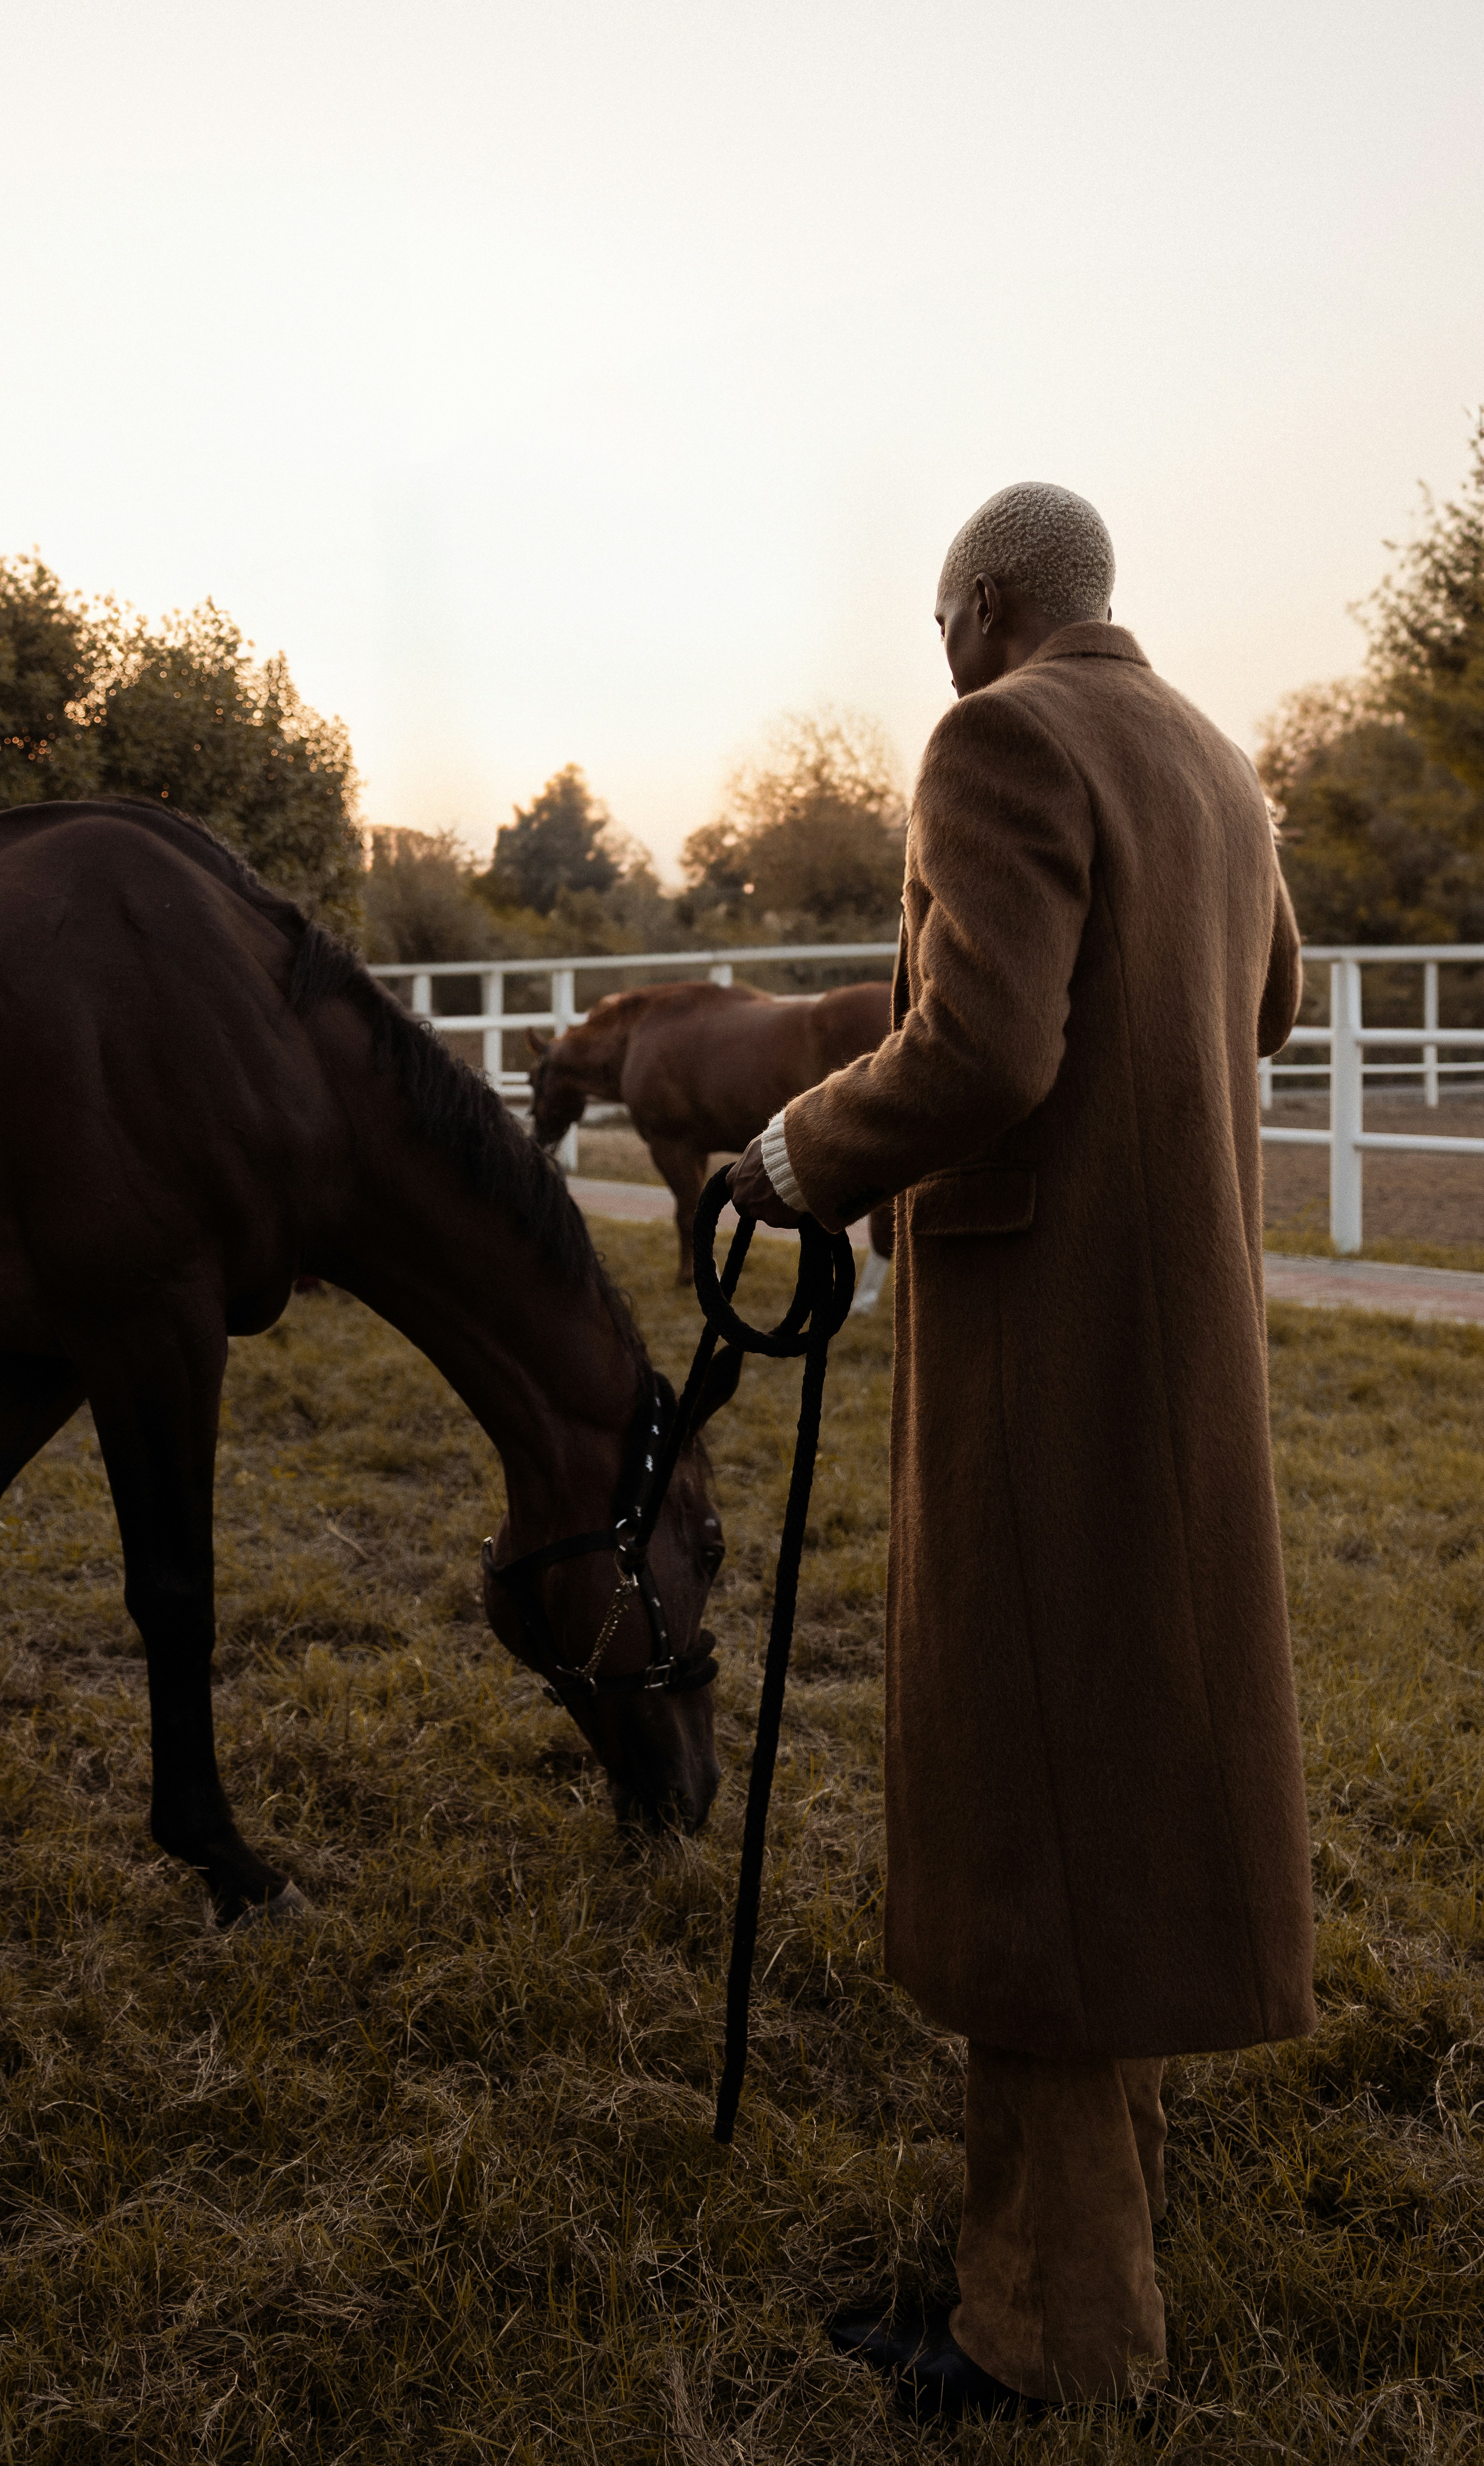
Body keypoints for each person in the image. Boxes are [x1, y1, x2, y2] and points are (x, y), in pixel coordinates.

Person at [729, 482, 1314, 2421]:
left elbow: (986, 1051)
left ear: (983, 608)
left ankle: (1047, 2337)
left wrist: (798, 1157)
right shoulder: (1215, 765)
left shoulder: (997, 736)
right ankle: (1064, 2261)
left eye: (937, 618)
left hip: (1044, 1368)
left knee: (1032, 1814)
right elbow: (1279, 1007)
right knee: (1118, 1790)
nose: (940, 650)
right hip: (1186, 1355)